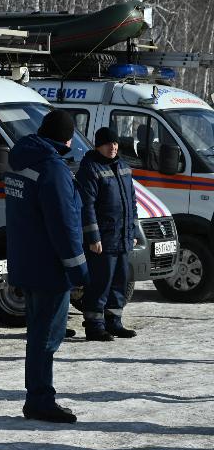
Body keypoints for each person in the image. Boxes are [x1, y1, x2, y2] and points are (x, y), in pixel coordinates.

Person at [5, 109, 88, 423]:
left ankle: (38, 396)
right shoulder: (53, 169)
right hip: (50, 266)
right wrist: (78, 269)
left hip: (27, 261)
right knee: (46, 337)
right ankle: (40, 399)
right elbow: (64, 224)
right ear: (67, 138)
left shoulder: (23, 160)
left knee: (38, 332)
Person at [76, 127, 138, 341]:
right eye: (107, 144)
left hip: (122, 236)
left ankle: (114, 322)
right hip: (103, 239)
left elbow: (132, 203)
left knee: (120, 281)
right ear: (98, 145)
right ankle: (94, 326)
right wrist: (93, 238)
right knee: (100, 283)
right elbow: (87, 207)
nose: (112, 147)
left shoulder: (123, 167)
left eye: (114, 143)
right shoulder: (90, 169)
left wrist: (134, 230)